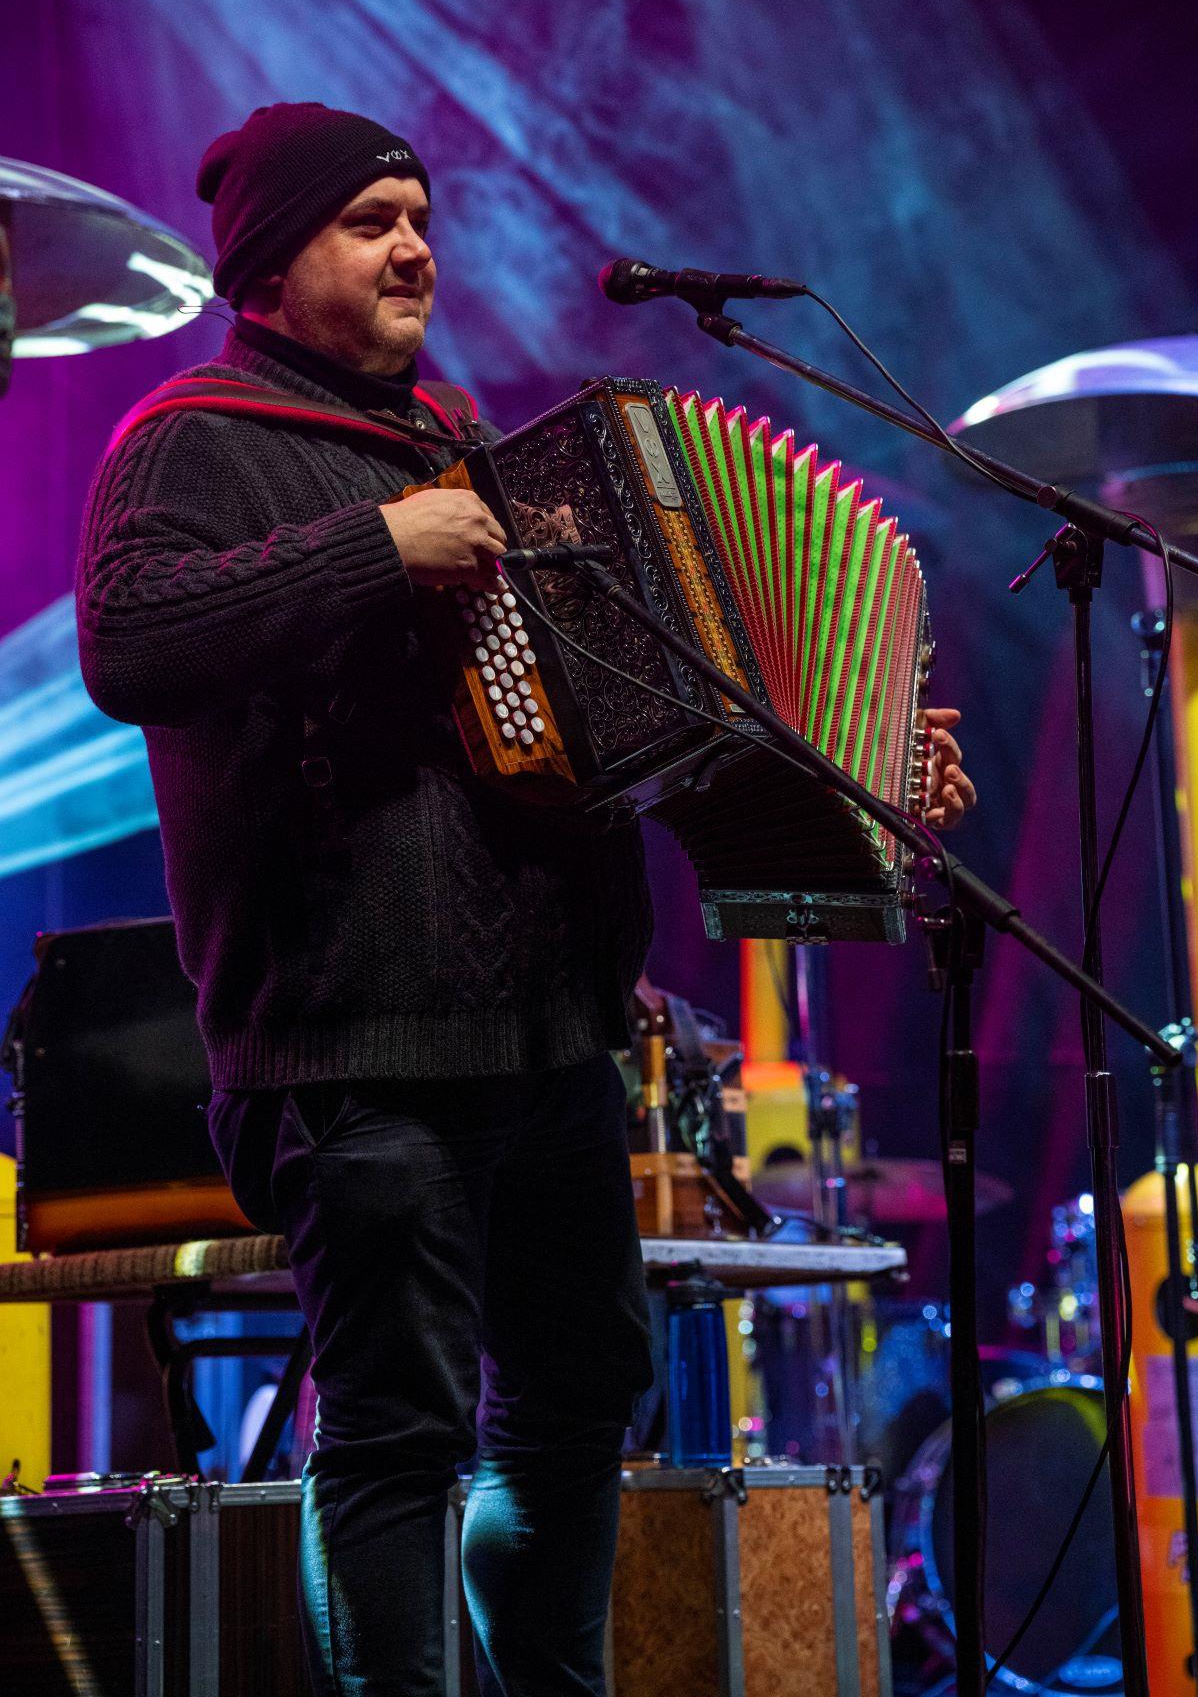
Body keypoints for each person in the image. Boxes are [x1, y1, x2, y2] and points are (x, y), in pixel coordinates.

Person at [76, 102, 975, 1695]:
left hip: (548, 1032)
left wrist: (860, 766)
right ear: (270, 264)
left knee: (576, 1399)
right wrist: (374, 548)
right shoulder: (189, 439)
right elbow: (131, 642)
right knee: (397, 1432)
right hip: (357, 1040)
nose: (414, 248)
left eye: (421, 218)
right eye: (368, 221)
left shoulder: (465, 443)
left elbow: (634, 717)